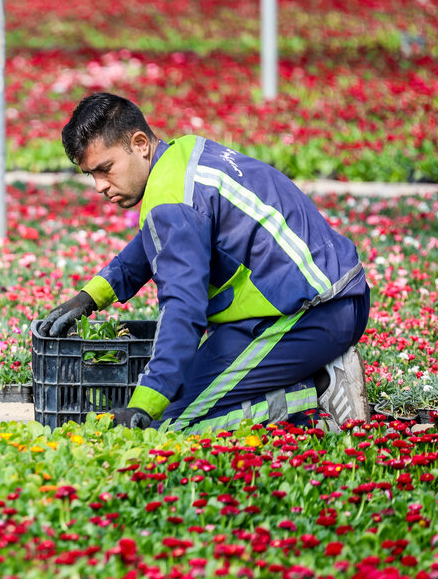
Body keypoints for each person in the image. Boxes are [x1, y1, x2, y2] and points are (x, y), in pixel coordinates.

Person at [38, 92, 370, 433]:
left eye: (105, 169)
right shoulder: (181, 157)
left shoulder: (172, 199)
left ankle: (315, 393)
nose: (99, 186)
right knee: (181, 396)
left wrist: (145, 403)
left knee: (170, 424)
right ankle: (312, 378)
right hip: (323, 299)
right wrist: (89, 297)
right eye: (91, 175)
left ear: (139, 143)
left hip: (313, 313)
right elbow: (151, 245)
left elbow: (183, 305)